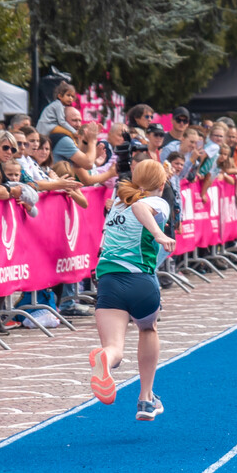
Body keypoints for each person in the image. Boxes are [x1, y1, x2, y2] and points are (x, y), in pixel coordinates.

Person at [88, 159, 176, 421]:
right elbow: (140, 206)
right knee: (148, 329)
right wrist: (158, 234)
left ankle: (105, 358)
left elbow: (132, 202)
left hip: (109, 281)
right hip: (140, 280)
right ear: (162, 185)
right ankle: (146, 399)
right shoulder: (157, 203)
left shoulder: (117, 202)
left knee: (114, 348)